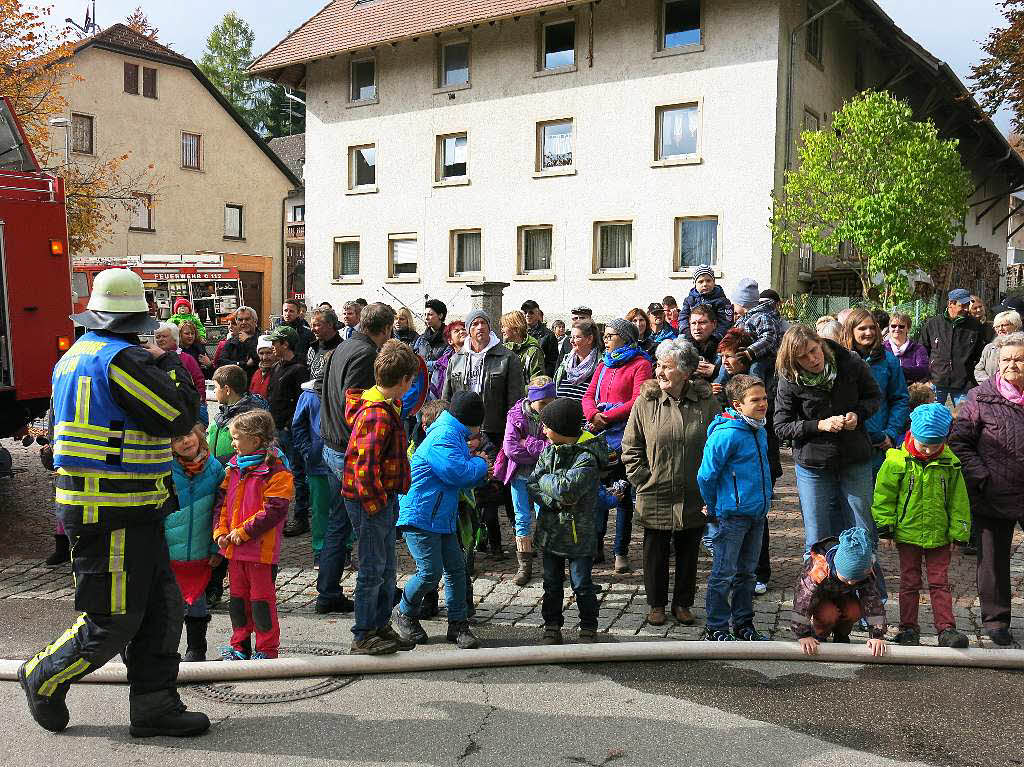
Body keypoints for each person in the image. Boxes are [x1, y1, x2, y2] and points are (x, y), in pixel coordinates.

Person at [20, 268, 208, 737]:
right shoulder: (124, 362)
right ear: (134, 321)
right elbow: (179, 415)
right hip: (113, 511)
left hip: (125, 507)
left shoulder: (74, 357)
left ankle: (154, 706)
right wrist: (169, 364)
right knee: (114, 617)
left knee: (163, 608)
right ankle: (44, 673)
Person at [622, 338, 719, 626]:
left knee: (689, 551)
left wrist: (709, 486)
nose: (659, 372)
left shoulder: (706, 404)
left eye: (666, 367)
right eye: (658, 366)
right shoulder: (646, 402)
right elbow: (631, 446)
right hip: (656, 490)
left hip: (694, 492)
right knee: (655, 551)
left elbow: (717, 446)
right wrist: (643, 480)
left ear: (685, 372)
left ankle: (683, 604)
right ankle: (656, 605)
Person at [774, 325, 882, 558]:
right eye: (802, 357)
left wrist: (858, 414)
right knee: (817, 536)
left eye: (813, 350)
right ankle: (817, 590)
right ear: (793, 361)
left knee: (862, 529)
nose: (812, 359)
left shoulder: (850, 362)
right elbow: (781, 426)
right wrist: (818, 425)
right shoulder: (789, 379)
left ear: (820, 342)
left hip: (854, 456)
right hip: (813, 463)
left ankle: (869, 590)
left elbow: (874, 396)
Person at [342, 340, 421, 655]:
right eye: (411, 380)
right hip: (370, 500)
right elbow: (364, 467)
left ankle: (379, 624)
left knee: (387, 566)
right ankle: (363, 633)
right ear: (403, 381)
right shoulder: (377, 414)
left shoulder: (387, 405)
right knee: (373, 568)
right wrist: (376, 507)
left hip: (380, 497)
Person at [318, 303, 397, 614]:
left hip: (332, 443)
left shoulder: (343, 346)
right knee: (369, 531)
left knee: (339, 524)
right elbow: (358, 408)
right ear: (387, 328)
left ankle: (328, 591)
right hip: (347, 450)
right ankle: (372, 604)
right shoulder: (364, 354)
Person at [395, 391, 489, 649]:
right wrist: (481, 465)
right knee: (430, 572)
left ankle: (458, 624)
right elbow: (457, 472)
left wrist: (474, 462)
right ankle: (404, 613)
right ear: (473, 421)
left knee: (456, 570)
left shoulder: (452, 432)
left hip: (440, 516)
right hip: (420, 515)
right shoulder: (443, 436)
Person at [872, 404, 971, 648]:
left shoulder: (951, 464)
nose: (927, 450)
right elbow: (883, 496)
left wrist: (959, 532)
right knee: (909, 582)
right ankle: (908, 628)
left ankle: (946, 629)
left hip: (939, 534)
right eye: (923, 444)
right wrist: (885, 527)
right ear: (912, 435)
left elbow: (959, 501)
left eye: (934, 445)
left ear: (944, 440)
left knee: (940, 582)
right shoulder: (896, 461)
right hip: (908, 533)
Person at [948, 332, 1024, 646]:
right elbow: (959, 442)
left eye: (1019, 359)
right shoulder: (980, 397)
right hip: (994, 490)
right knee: (993, 561)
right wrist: (982, 475)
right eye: (1006, 359)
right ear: (995, 364)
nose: (1012, 365)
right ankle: (996, 622)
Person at [698, 374, 773, 641]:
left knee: (747, 574)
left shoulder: (759, 428)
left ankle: (744, 624)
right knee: (724, 573)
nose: (763, 403)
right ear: (738, 405)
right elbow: (706, 475)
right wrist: (712, 506)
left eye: (764, 398)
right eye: (756, 400)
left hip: (756, 513)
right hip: (731, 515)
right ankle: (716, 626)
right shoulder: (726, 434)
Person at [214, 410, 293, 661]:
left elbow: (274, 510)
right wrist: (221, 531)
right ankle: (239, 645)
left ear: (256, 440)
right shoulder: (233, 468)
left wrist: (243, 532)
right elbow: (222, 504)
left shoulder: (277, 470)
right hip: (235, 549)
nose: (233, 443)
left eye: (236, 438)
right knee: (237, 601)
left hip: (260, 551)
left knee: (261, 602)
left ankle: (267, 649)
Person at [529, 397, 608, 644]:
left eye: (546, 425)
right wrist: (553, 500)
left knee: (582, 584)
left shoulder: (587, 458)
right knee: (551, 583)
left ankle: (588, 624)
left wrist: (548, 482)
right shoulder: (548, 451)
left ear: (561, 428)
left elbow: (566, 489)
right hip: (551, 532)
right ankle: (552, 624)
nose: (542, 430)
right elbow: (532, 483)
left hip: (579, 534)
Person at [711, 327, 781, 595]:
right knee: (735, 521)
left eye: (729, 356)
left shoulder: (758, 377)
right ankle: (738, 572)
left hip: (760, 461)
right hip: (734, 462)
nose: (725, 362)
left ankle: (759, 572)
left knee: (757, 519)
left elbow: (766, 420)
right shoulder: (723, 378)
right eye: (722, 356)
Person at [583, 318, 654, 573]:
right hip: (599, 437)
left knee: (622, 495)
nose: (606, 339)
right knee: (596, 492)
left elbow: (638, 400)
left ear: (625, 337)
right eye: (606, 334)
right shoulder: (603, 363)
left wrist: (607, 417)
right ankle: (596, 545)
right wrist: (593, 415)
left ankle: (620, 551)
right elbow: (589, 395)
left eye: (611, 335)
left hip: (626, 437)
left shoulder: (641, 364)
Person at [167, 425, 225, 662]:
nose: (185, 441)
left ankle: (197, 648)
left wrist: (216, 548)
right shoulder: (167, 470)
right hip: (171, 549)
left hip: (202, 548)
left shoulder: (215, 469)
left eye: (187, 434)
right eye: (177, 439)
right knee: (170, 605)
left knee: (197, 602)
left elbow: (222, 511)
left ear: (199, 435)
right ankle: (167, 650)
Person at [494, 378, 556, 586]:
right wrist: (540, 450)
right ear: (533, 400)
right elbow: (511, 449)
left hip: (544, 477)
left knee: (545, 517)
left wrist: (528, 442)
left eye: (551, 402)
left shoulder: (553, 415)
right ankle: (524, 566)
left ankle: (551, 565)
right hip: (519, 475)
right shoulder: (516, 416)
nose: (548, 408)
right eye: (543, 403)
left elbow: (554, 447)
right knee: (521, 518)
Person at [791, 527, 888, 656]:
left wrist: (877, 635)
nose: (851, 583)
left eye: (855, 580)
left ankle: (841, 635)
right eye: (846, 579)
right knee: (829, 615)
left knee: (854, 611)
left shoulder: (866, 570)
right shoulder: (818, 571)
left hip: (843, 596)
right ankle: (819, 635)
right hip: (819, 599)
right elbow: (802, 602)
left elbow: (873, 601)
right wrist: (803, 634)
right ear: (837, 566)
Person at [841, 308, 909, 475]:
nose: (868, 332)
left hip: (878, 442)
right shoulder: (839, 359)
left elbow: (900, 399)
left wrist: (891, 433)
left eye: (872, 327)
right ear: (851, 330)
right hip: (846, 439)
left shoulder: (889, 361)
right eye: (862, 328)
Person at [265, 325, 311, 538]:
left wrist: (288, 425)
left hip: (290, 431)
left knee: (298, 474)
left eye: (275, 343)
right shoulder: (277, 367)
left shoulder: (299, 368)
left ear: (285, 344)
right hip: (276, 430)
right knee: (279, 474)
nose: (272, 347)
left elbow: (301, 403)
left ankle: (300, 517)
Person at [917, 288, 986, 406]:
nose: (966, 309)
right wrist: (926, 378)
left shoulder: (975, 326)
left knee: (964, 419)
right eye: (962, 305)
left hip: (963, 383)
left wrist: (969, 374)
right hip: (936, 381)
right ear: (950, 304)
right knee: (933, 418)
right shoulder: (933, 324)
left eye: (967, 305)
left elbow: (979, 354)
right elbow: (922, 351)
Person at [292, 377, 334, 570]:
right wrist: (308, 452)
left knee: (344, 510)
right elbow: (298, 425)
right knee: (320, 510)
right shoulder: (308, 396)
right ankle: (320, 551)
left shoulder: (345, 389)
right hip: (318, 464)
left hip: (343, 461)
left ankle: (345, 550)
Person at [731, 278, 784, 380]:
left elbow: (768, 339)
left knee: (755, 368)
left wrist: (750, 352)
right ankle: (719, 388)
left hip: (764, 356)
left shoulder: (762, 317)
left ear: (742, 304)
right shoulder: (742, 319)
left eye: (734, 304)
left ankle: (757, 389)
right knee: (725, 362)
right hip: (745, 355)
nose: (733, 307)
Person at [155, 322, 206, 426]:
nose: (160, 339)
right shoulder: (151, 359)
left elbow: (199, 380)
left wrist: (200, 400)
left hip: (188, 406)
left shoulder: (186, 358)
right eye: (157, 337)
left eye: (164, 336)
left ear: (175, 339)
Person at [679, 265, 733, 345]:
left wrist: (714, 338)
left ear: (714, 281)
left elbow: (725, 323)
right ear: (695, 283)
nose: (704, 284)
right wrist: (687, 332)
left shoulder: (722, 301)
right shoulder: (689, 300)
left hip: (714, 338)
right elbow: (682, 318)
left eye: (708, 281)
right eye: (700, 281)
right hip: (692, 335)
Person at [554, 319, 600, 401]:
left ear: (589, 339)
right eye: (571, 337)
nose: (571, 341)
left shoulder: (599, 366)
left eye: (577, 337)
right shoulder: (566, 363)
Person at [974, 309, 1021, 384]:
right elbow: (979, 369)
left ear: (1016, 325)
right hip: (993, 391)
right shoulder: (989, 348)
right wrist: (991, 383)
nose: (1000, 329)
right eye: (997, 326)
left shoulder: (1021, 347)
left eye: (1004, 325)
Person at [413, 299, 450, 388]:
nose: (426, 317)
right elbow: (413, 360)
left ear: (440, 315)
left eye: (430, 314)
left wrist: (424, 364)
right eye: (425, 314)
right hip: (421, 385)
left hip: (440, 385)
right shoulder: (421, 339)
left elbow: (444, 363)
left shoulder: (449, 338)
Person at [884, 311, 930, 384]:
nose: (897, 329)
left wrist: (897, 370)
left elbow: (923, 370)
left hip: (910, 392)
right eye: (893, 326)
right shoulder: (881, 348)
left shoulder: (918, 349)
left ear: (908, 329)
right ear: (889, 328)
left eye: (901, 326)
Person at [217, 305, 261, 380]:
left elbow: (259, 359)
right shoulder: (231, 342)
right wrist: (242, 364)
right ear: (237, 322)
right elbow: (221, 362)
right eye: (240, 320)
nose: (243, 322)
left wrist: (247, 341)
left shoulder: (262, 340)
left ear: (255, 321)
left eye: (247, 319)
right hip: (235, 384)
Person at [501, 310, 545, 381]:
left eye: (504, 326)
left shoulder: (533, 351)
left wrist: (516, 389)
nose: (502, 330)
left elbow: (537, 383)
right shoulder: (503, 350)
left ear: (516, 328)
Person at [521, 300, 559, 376]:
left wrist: (543, 378)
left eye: (531, 312)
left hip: (539, 377)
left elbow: (553, 362)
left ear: (538, 314)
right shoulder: (518, 332)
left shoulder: (548, 335)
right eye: (525, 312)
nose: (527, 315)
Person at [430, 319, 464, 400]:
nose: (462, 332)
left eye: (463, 329)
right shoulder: (442, 364)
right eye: (456, 331)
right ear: (450, 341)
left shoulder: (475, 357)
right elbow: (434, 390)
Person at [306, 308, 342, 383]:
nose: (312, 329)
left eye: (317, 325)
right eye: (312, 325)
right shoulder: (313, 348)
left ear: (330, 325)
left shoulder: (342, 349)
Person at [687, 305, 721, 381]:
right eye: (693, 323)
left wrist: (717, 371)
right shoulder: (679, 346)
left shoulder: (724, 348)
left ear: (714, 324)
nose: (697, 328)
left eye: (702, 323)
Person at [280, 299, 314, 363]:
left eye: (291, 311)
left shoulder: (307, 333)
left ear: (298, 313)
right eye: (285, 310)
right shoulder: (277, 331)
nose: (288, 314)